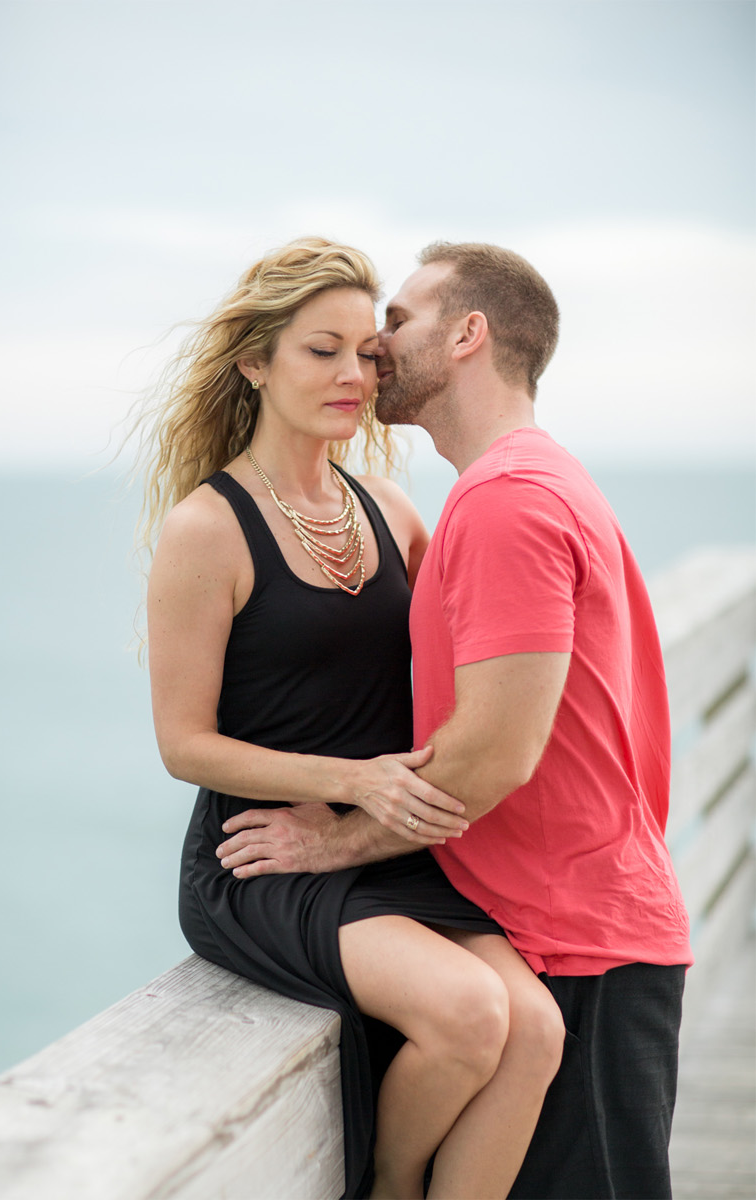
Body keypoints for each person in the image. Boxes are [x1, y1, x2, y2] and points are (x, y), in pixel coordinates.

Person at [214, 242, 692, 1198]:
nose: (375, 351)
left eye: (397, 321)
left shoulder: (507, 501)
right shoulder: (522, 482)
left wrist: (335, 843)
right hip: (558, 925)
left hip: (577, 941)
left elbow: (491, 754)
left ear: (469, 334)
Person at [140, 238, 566, 1199]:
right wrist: (348, 782)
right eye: (318, 350)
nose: (352, 373)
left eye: (365, 352)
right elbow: (183, 745)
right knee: (467, 1017)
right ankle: (390, 1185)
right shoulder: (206, 529)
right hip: (265, 856)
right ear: (255, 364)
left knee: (534, 1029)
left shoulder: (392, 510)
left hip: (384, 848)